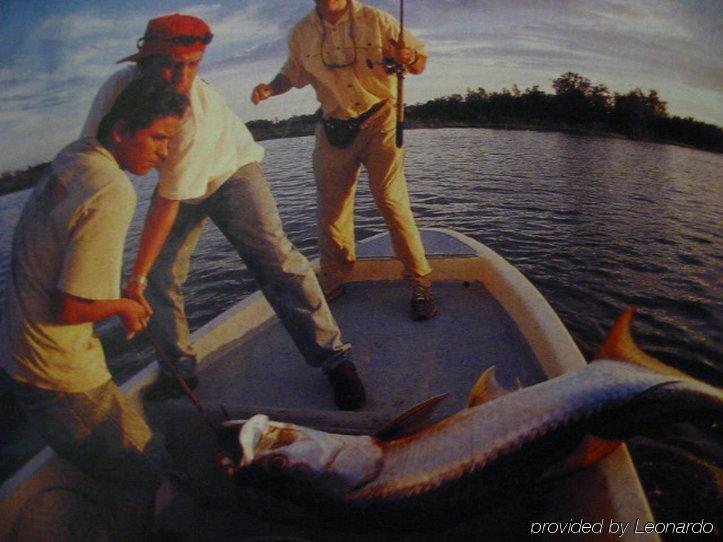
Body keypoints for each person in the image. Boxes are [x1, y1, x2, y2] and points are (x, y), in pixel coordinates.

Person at [81, 13, 366, 410]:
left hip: (232, 172)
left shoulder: (195, 110)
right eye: (170, 64)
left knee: (276, 261)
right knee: (158, 276)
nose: (182, 77)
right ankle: (180, 371)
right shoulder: (117, 91)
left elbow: (167, 202)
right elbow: (93, 158)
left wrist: (134, 276)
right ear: (143, 61)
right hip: (177, 186)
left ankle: (335, 359)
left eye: (192, 65)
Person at [0, 79, 188, 539]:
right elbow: (69, 306)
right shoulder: (111, 189)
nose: (165, 153)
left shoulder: (75, 156)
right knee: (144, 468)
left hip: (19, 356)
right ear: (121, 132)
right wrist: (125, 305)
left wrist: (120, 297)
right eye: (159, 138)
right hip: (56, 374)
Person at [252, 0, 438, 321]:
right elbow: (290, 74)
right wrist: (270, 88)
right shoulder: (301, 32)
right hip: (333, 125)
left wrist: (407, 57)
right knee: (331, 208)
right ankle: (334, 280)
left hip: (381, 117)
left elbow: (419, 61)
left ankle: (420, 281)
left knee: (390, 200)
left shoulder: (376, 19)